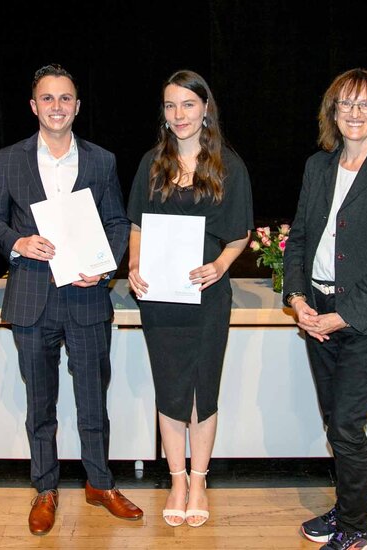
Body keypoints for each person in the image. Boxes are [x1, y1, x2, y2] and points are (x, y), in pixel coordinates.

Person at [0, 64, 141, 536]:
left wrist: (105, 264)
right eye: (47, 99)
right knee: (40, 403)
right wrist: (17, 243)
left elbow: (116, 223)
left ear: (77, 106)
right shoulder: (9, 159)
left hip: (87, 296)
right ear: (34, 107)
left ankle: (100, 483)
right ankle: (45, 488)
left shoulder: (101, 161)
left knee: (93, 400)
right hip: (31, 297)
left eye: (65, 98)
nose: (56, 106)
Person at [283, 69, 367, 550]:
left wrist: (342, 316)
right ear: (333, 112)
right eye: (346, 104)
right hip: (317, 312)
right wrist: (298, 300)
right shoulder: (317, 167)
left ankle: (358, 527)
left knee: (345, 423)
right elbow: (298, 239)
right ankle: (348, 510)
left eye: (365, 105)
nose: (355, 113)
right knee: (335, 422)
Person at [126, 70, 253, 528]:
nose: (178, 115)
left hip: (206, 297)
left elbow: (239, 235)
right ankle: (176, 479)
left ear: (205, 109)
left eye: (187, 105)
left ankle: (199, 479)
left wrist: (220, 266)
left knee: (203, 391)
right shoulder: (150, 164)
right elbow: (137, 226)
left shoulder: (229, 167)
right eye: (169, 106)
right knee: (170, 390)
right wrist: (134, 266)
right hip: (159, 299)